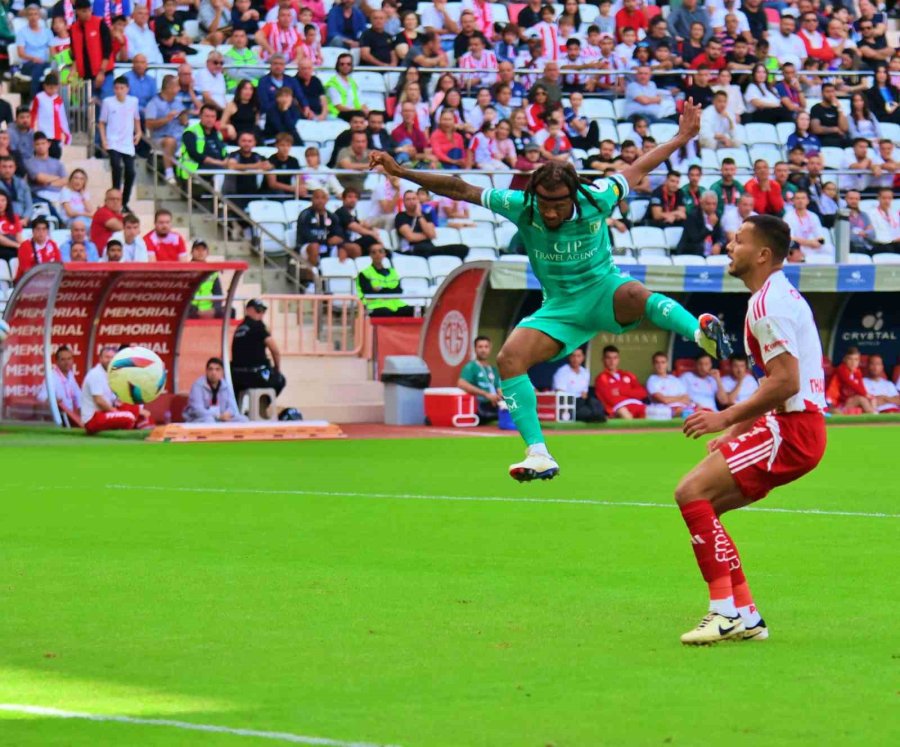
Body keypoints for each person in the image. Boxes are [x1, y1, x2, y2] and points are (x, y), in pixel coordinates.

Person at [371, 99, 730, 480]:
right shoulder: (522, 206)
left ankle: (700, 333)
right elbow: (459, 188)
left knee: (635, 293)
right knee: (509, 358)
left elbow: (640, 166)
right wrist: (401, 171)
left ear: (573, 195)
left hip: (603, 289)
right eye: (544, 204)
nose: (550, 212)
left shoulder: (599, 196)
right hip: (559, 308)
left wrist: (681, 136)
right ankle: (538, 453)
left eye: (557, 205)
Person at [675, 214, 827, 645]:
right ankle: (746, 614)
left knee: (690, 493)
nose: (729, 245)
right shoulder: (777, 297)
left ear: (762, 254)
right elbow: (774, 380)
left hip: (792, 428)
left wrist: (723, 418)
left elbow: (786, 382)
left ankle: (722, 612)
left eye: (739, 240)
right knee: (707, 507)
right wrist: (737, 430)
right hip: (796, 426)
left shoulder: (767, 305)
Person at [80, 345, 150, 434]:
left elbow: (117, 399)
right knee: (129, 417)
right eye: (106, 357)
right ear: (100, 358)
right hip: (93, 418)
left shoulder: (111, 374)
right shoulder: (95, 374)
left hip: (104, 413)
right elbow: (99, 401)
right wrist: (116, 412)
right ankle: (130, 429)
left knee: (133, 407)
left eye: (112, 357)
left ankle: (143, 424)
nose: (109, 360)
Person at [99, 76, 141, 211]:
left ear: (127, 89)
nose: (119, 91)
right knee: (116, 168)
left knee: (131, 172)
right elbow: (101, 122)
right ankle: (115, 199)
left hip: (127, 142)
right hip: (113, 141)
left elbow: (136, 118)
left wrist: (138, 132)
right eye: (117, 88)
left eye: (122, 88)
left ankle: (124, 202)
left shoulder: (133, 101)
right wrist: (104, 140)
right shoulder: (108, 102)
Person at [231, 299, 285, 398]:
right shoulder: (258, 326)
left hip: (236, 375)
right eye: (258, 310)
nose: (261, 314)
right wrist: (277, 369)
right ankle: (261, 408)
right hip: (254, 376)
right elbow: (275, 350)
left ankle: (249, 409)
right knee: (280, 380)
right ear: (248, 310)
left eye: (263, 311)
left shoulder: (239, 328)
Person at [393, 190, 468, 259]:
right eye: (408, 199)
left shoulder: (425, 215)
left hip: (430, 247)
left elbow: (432, 234)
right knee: (426, 249)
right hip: (413, 248)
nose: (411, 201)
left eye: (414, 199)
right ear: (404, 202)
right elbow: (411, 237)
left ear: (418, 200)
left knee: (462, 248)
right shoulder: (401, 216)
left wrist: (419, 215)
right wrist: (427, 235)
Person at [145, 74, 187, 185]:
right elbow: (149, 124)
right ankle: (169, 173)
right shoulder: (154, 103)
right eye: (177, 86)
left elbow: (184, 121)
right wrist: (166, 119)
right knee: (170, 141)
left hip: (179, 136)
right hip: (159, 138)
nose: (179, 88)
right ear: (169, 87)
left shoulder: (177, 102)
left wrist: (183, 118)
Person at [176, 104, 234, 182]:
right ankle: (218, 194)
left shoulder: (217, 134)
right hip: (195, 168)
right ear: (200, 116)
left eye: (213, 116)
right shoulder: (190, 132)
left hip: (216, 167)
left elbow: (224, 152)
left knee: (236, 168)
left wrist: (227, 160)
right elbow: (194, 154)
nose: (210, 119)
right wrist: (219, 163)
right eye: (207, 116)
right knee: (220, 171)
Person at [296, 189, 350, 267]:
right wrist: (327, 241)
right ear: (312, 199)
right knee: (315, 246)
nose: (320, 201)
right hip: (307, 247)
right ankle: (313, 276)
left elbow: (340, 235)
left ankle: (344, 274)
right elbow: (307, 237)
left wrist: (339, 241)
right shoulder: (305, 215)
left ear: (327, 200)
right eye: (317, 198)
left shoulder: (332, 216)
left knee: (352, 248)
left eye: (323, 198)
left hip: (327, 245)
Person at [184, 357, 247, 423]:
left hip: (221, 418)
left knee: (243, 419)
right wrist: (217, 416)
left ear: (222, 372)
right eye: (211, 369)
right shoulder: (197, 385)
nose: (213, 372)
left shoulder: (226, 386)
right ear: (206, 371)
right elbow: (197, 410)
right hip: (199, 418)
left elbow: (232, 407)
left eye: (217, 369)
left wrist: (228, 413)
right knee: (209, 420)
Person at [356, 244, 411, 318]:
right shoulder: (364, 273)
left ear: (384, 254)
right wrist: (389, 290)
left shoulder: (393, 272)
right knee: (386, 313)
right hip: (375, 306)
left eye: (380, 251)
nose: (377, 254)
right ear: (370, 255)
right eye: (374, 252)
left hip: (395, 305)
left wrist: (380, 289)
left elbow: (399, 290)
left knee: (413, 310)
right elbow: (368, 292)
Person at [551, 348, 606, 422]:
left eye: (578, 356)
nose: (575, 359)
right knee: (586, 412)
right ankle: (594, 416)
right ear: (569, 357)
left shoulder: (585, 372)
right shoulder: (562, 372)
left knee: (594, 402)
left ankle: (597, 416)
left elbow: (585, 394)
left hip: (581, 401)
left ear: (583, 357)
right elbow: (560, 394)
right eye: (573, 356)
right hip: (568, 403)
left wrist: (584, 397)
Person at [594, 345, 648, 419]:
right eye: (608, 358)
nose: (612, 361)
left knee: (651, 412)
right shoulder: (601, 378)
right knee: (624, 412)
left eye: (615, 358)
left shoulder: (628, 374)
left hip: (637, 404)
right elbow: (610, 398)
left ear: (618, 359)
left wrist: (621, 391)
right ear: (603, 359)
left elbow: (642, 393)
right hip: (618, 408)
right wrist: (632, 393)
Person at [676, 192, 724, 256]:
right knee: (698, 247)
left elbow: (721, 236)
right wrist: (710, 226)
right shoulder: (692, 215)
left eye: (714, 204)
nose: (711, 207)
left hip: (710, 251)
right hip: (691, 250)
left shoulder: (717, 215)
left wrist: (718, 244)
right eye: (708, 204)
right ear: (701, 203)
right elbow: (695, 238)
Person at [646, 351, 692, 416]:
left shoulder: (675, 379)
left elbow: (687, 399)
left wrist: (670, 399)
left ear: (667, 364)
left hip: (683, 408)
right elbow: (664, 400)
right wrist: (679, 398)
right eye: (657, 363)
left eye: (663, 362)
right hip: (664, 411)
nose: (660, 365)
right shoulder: (652, 380)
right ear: (653, 364)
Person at [45, 345, 82, 426]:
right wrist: (53, 401)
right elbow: (41, 398)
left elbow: (79, 397)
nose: (67, 362)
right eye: (63, 360)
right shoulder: (51, 377)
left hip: (70, 418)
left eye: (69, 359)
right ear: (57, 362)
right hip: (58, 419)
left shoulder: (70, 375)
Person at [831, 346, 875, 413]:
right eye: (850, 359)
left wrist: (868, 396)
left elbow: (861, 387)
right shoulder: (841, 369)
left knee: (872, 399)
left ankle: (874, 413)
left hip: (848, 402)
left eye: (856, 359)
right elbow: (851, 384)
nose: (853, 362)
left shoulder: (857, 372)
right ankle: (874, 416)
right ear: (845, 359)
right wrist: (866, 395)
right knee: (861, 399)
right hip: (835, 403)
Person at [15, 217, 61, 281]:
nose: (41, 232)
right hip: (27, 282)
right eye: (38, 229)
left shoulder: (53, 245)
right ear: (33, 231)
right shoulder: (25, 246)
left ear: (47, 231)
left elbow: (58, 265)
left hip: (50, 280)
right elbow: (26, 271)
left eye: (44, 229)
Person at [810, 83, 849, 148]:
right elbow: (816, 129)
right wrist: (834, 129)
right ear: (822, 93)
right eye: (828, 91)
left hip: (839, 139)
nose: (831, 94)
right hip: (823, 139)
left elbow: (844, 128)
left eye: (832, 91)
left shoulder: (837, 109)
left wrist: (839, 107)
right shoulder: (816, 108)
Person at [867, 187, 900, 253]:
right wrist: (892, 240)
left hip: (895, 243)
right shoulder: (871, 213)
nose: (887, 201)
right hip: (880, 244)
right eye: (884, 198)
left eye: (889, 198)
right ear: (878, 198)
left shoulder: (894, 213)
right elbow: (874, 235)